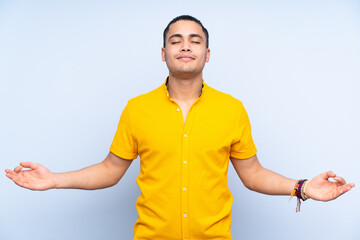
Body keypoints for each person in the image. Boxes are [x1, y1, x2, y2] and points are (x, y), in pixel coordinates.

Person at [5, 15, 355, 240]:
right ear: (163, 53)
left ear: (207, 53)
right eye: (176, 40)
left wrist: (303, 187)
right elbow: (110, 170)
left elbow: (253, 175)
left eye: (195, 40)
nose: (185, 45)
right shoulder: (137, 108)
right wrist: (54, 180)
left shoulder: (232, 109)